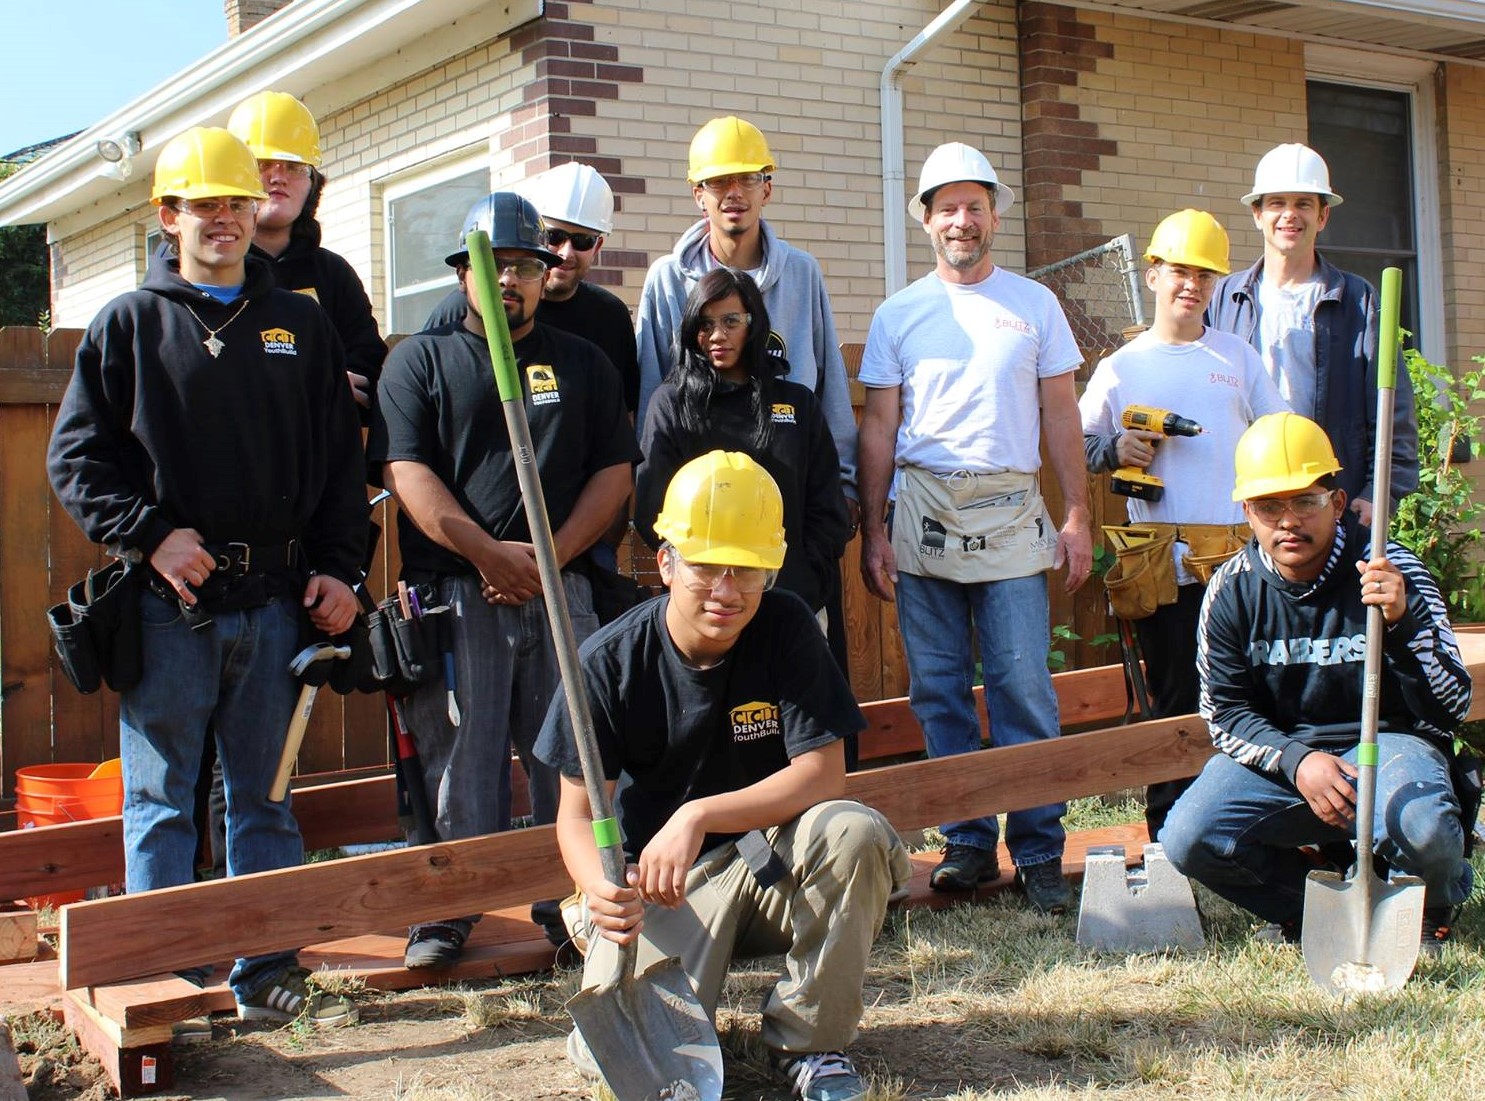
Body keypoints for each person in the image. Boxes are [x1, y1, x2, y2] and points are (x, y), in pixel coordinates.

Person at [46, 126, 367, 1025]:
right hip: (168, 608)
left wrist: (340, 569)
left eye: (236, 202)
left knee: (265, 798)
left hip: (276, 605)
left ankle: (265, 966)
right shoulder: (130, 323)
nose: (222, 218)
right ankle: (163, 969)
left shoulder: (300, 323)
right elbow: (75, 459)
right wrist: (150, 536)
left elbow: (340, 467)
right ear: (168, 215)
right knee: (160, 798)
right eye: (203, 204)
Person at [535, 451, 909, 1101]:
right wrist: (599, 887)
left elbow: (824, 774)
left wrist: (698, 813)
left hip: (767, 870)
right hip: (663, 888)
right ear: (665, 563)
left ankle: (811, 1044)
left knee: (853, 830)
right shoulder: (607, 663)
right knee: (622, 1067)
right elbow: (575, 814)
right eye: (706, 567)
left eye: (747, 570)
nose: (727, 591)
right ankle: (601, 945)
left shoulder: (787, 626)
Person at [368, 191, 637, 969]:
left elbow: (614, 472)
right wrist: (487, 553)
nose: (507, 281)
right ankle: (447, 909)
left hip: (561, 591)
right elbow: (406, 471)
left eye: (521, 266)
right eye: (492, 267)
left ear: (543, 273)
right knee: (460, 759)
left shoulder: (580, 363)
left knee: (572, 754)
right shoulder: (420, 360)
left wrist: (546, 558)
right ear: (463, 273)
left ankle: (572, 903)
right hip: (457, 594)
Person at [856, 141, 1091, 914]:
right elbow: (878, 427)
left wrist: (1076, 513)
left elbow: (1062, 415)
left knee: (1023, 686)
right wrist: (873, 529)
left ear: (994, 215)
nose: (961, 220)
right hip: (922, 512)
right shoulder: (899, 313)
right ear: (925, 219)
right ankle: (965, 840)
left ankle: (1039, 850)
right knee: (939, 688)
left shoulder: (1034, 305)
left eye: (974, 206)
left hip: (1012, 511)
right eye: (947, 207)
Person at [1161, 413, 1475, 951]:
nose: (1288, 522)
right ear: (1247, 512)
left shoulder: (1390, 570)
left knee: (1424, 829)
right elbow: (1225, 714)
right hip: (1290, 754)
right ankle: (1308, 906)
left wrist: (1403, 624)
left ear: (1337, 501)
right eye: (1269, 507)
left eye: (1305, 501)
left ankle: (1429, 904)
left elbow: (1453, 704)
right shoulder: (1231, 591)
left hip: (1389, 744)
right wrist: (1297, 760)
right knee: (1190, 836)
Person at [1080, 210, 1288, 836]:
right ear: (1153, 275)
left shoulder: (1237, 358)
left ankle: (1252, 822)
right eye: (1179, 272)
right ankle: (1169, 830)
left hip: (1236, 561)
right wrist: (1117, 448)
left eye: (1204, 275)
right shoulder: (1122, 367)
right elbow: (1079, 444)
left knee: (1251, 693)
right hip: (1161, 567)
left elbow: (1279, 435)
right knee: (1173, 700)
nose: (1191, 285)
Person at [1206, 142, 1417, 526]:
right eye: (1277, 203)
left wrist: (1379, 492)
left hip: (1326, 501)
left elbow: (1392, 408)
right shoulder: (1224, 298)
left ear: (1323, 216)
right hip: (1244, 499)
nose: (1290, 214)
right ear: (1257, 214)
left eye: (1303, 203)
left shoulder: (1357, 300)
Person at [635, 268, 850, 635]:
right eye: (705, 324)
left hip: (793, 601)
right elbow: (653, 511)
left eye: (731, 321)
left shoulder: (797, 404)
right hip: (707, 607)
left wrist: (803, 581)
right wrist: (703, 584)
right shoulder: (671, 405)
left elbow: (827, 510)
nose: (717, 335)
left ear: (754, 323)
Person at [423, 162, 639, 416]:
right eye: (555, 237)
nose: (566, 253)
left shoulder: (609, 317)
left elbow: (624, 415)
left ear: (597, 246)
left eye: (582, 241)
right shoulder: (462, 309)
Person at [225, 90, 387, 418]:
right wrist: (314, 384)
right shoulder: (215, 272)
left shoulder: (333, 274)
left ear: (313, 182)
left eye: (294, 166)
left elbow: (367, 369)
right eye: (262, 164)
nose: (278, 177)